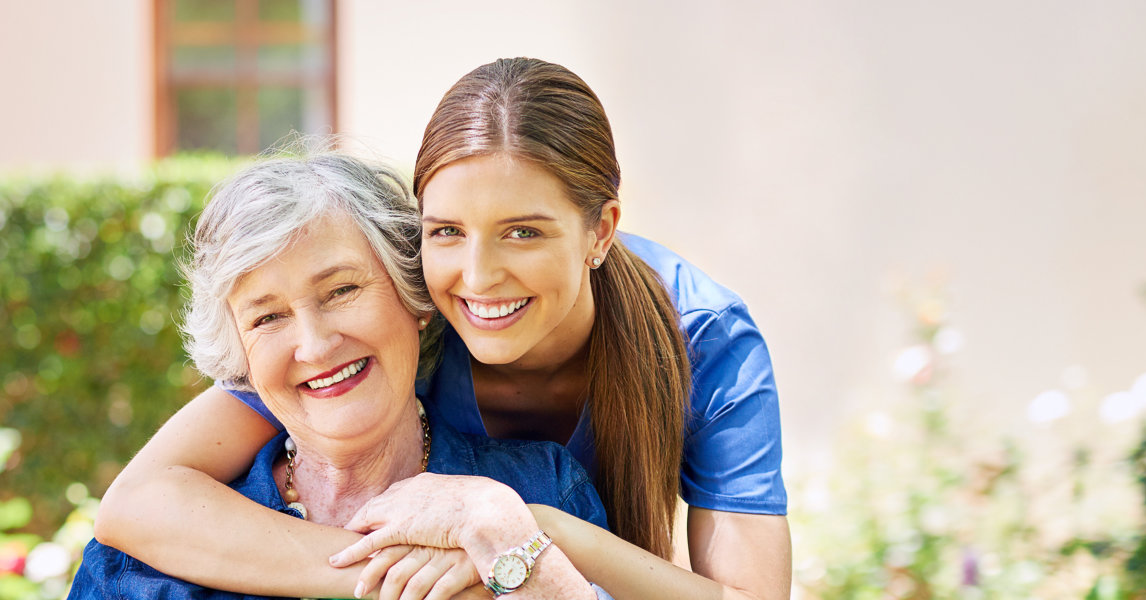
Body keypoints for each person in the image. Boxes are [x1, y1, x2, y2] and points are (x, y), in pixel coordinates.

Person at [98, 57, 790, 600]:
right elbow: (139, 503)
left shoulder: (702, 337)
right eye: (447, 232)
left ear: (601, 231)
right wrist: (389, 572)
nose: (478, 276)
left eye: (522, 231)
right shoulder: (404, 313)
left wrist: (524, 529)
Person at [70, 151, 610, 599]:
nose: (315, 345)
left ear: (414, 297)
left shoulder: (543, 490)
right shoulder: (143, 563)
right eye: (268, 317)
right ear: (241, 359)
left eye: (342, 291)